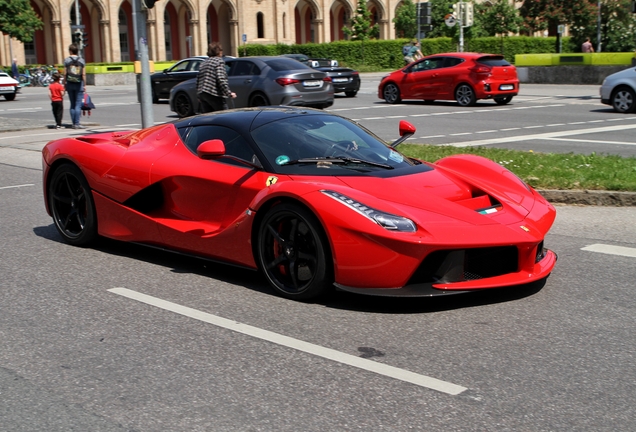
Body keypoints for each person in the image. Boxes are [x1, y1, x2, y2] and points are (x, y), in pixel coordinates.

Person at [196, 42, 236, 113]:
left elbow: (198, 80)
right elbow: (221, 78)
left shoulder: (203, 63)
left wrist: (198, 95)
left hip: (202, 93)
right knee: (224, 115)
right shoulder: (219, 61)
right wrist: (229, 93)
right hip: (213, 93)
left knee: (208, 117)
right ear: (219, 51)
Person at [63, 44, 87, 129]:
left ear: (70, 51)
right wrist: (84, 85)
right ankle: (77, 123)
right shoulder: (82, 60)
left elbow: (65, 74)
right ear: (77, 51)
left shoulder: (66, 60)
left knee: (72, 104)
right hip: (79, 83)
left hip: (69, 83)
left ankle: (73, 123)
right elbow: (83, 74)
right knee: (78, 105)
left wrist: (64, 83)